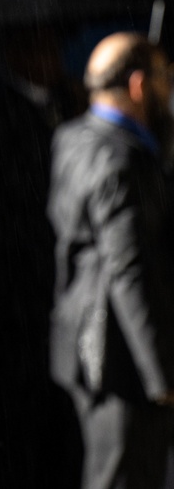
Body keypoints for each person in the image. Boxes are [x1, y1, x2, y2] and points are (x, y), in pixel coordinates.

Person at [47, 31, 174, 489]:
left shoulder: (73, 136)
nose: (169, 89)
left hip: (86, 345)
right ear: (139, 85)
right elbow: (129, 269)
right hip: (119, 356)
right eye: (166, 78)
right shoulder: (123, 161)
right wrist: (160, 374)